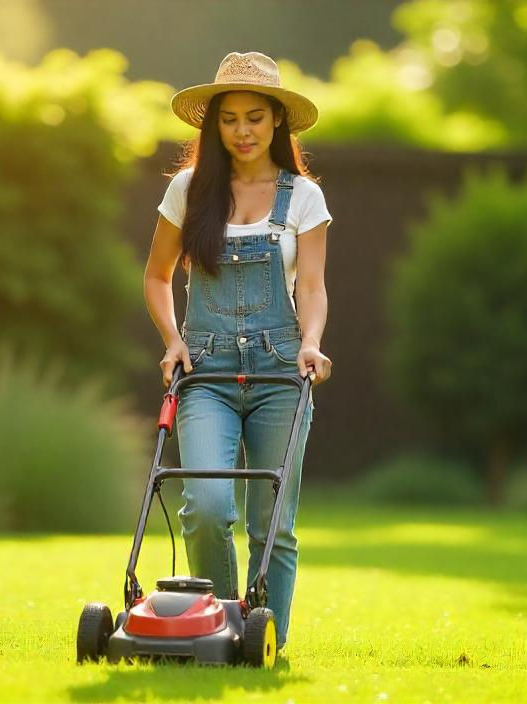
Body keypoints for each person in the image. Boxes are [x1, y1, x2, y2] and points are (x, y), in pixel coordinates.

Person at [142, 51, 333, 652]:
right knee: (204, 504)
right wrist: (173, 340)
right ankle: (220, 630)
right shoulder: (188, 190)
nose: (243, 131)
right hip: (207, 371)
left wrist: (310, 344)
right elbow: (156, 275)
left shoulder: (302, 196)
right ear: (212, 125)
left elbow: (313, 286)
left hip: (281, 370)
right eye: (229, 119)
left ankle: (263, 642)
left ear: (277, 122)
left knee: (271, 528)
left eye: (255, 117)